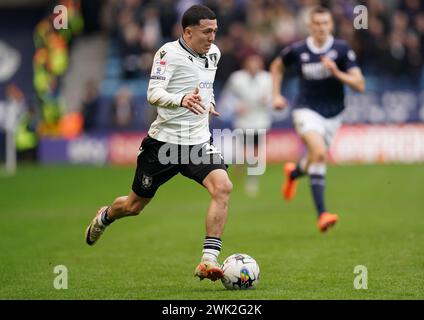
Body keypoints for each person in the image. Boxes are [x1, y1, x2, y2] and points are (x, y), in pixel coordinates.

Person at [85, 5, 232, 282]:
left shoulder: (214, 53)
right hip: (163, 145)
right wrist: (180, 100)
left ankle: (208, 259)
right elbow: (153, 93)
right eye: (206, 31)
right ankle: (105, 215)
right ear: (188, 32)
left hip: (197, 143)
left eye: (215, 31)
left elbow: (206, 85)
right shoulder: (168, 54)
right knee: (133, 206)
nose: (212, 37)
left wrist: (208, 102)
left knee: (223, 187)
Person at [270, 6, 365, 232]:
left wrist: (337, 73)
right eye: (317, 24)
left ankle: (294, 173)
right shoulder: (298, 50)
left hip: (334, 114)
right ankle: (322, 214)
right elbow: (276, 66)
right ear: (310, 27)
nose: (321, 27)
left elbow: (360, 85)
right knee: (320, 154)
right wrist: (275, 94)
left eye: (325, 23)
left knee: (315, 156)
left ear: (331, 25)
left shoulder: (341, 49)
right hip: (306, 109)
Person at [221, 52, 272, 197]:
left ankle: (252, 181)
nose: (254, 66)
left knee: (256, 153)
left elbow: (273, 99)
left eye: (257, 63)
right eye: (251, 63)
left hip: (261, 122)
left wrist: (267, 101)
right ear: (246, 65)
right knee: (243, 153)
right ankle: (239, 167)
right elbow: (227, 97)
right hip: (243, 122)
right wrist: (236, 106)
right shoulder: (237, 78)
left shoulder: (267, 78)